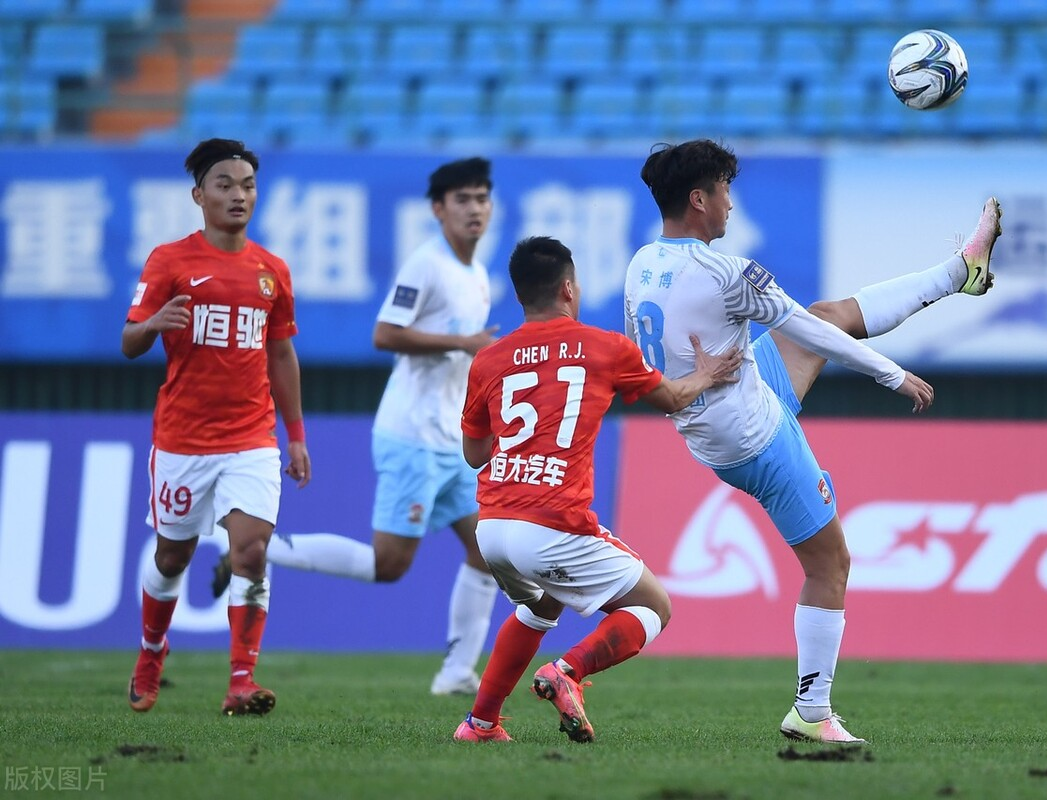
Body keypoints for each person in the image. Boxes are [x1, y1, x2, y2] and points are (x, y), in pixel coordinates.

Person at [626, 139, 1002, 743]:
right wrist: (892, 374)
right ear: (699, 199)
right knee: (830, 564)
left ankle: (960, 271)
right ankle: (812, 710)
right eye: (724, 190)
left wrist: (697, 379)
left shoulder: (643, 262)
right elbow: (797, 329)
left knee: (828, 313)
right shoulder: (725, 272)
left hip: (718, 413)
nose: (729, 203)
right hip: (758, 436)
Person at [212, 157, 501, 696]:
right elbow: (385, 334)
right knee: (389, 565)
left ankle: (457, 672)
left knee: (486, 552)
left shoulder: (477, 273)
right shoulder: (427, 265)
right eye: (462, 199)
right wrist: (461, 344)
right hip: (412, 436)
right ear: (438, 209)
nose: (475, 209)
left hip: (450, 441)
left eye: (482, 198)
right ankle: (258, 550)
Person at [452, 236, 742, 743]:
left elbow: (475, 455)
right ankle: (567, 671)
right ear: (569, 288)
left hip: (492, 527)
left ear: (522, 296)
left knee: (541, 604)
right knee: (654, 607)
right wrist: (707, 374)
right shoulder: (604, 347)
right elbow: (672, 399)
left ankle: (480, 724)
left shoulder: (489, 360)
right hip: (550, 522)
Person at [124, 138, 311, 716]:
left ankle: (241, 681)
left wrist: (296, 435)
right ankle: (152, 650)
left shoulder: (270, 270)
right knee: (171, 558)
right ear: (198, 194)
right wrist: (153, 322)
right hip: (182, 439)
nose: (238, 194)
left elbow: (281, 355)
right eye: (225, 184)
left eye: (248, 185)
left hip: (251, 437)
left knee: (251, 552)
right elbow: (130, 343)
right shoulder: (169, 261)